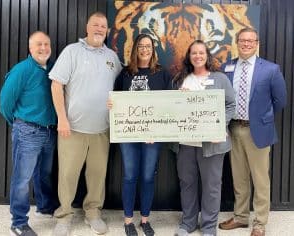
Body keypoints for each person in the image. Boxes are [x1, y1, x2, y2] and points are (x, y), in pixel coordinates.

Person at [49, 12, 122, 236]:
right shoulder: (72, 52)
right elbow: (56, 85)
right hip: (72, 129)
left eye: (103, 26)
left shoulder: (112, 57)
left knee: (97, 176)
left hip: (102, 130)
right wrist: (62, 118)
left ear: (107, 31)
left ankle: (93, 213)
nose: (100, 29)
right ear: (87, 28)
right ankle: (64, 216)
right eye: (95, 25)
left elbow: (121, 88)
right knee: (68, 176)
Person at [218, 28, 287, 236]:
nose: (246, 44)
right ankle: (240, 217)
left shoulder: (271, 69)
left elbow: (280, 100)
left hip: (258, 131)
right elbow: (222, 97)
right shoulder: (227, 67)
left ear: (257, 43)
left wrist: (261, 118)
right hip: (234, 129)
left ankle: (259, 223)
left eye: (250, 41)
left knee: (260, 179)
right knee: (239, 178)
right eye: (242, 40)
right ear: (237, 42)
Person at [108, 33, 172, 236]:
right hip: (129, 135)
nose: (145, 49)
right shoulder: (126, 74)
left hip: (153, 136)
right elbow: (116, 100)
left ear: (153, 50)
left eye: (148, 46)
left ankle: (145, 220)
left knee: (147, 177)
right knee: (129, 176)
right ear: (135, 49)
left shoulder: (162, 74)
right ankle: (128, 221)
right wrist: (112, 104)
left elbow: (171, 105)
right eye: (141, 46)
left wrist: (158, 129)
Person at [173, 40, 236, 236]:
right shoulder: (180, 80)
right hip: (185, 143)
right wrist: (177, 98)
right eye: (194, 53)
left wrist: (220, 126)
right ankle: (188, 223)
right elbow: (170, 108)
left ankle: (209, 227)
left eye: (201, 53)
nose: (197, 56)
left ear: (207, 56)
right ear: (189, 57)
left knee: (212, 186)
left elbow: (230, 105)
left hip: (212, 144)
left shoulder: (220, 79)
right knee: (187, 183)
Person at [0, 31, 57, 236]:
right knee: (22, 179)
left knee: (44, 173)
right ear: (30, 48)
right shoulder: (21, 70)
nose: (43, 48)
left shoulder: (52, 69)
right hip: (28, 131)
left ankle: (44, 207)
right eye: (39, 45)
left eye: (47, 44)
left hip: (50, 132)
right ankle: (18, 222)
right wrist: (19, 124)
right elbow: (5, 103)